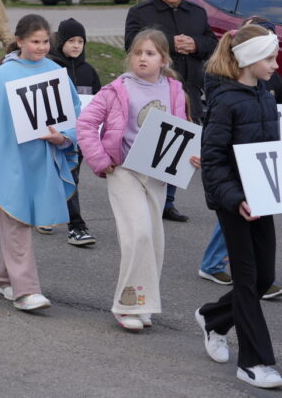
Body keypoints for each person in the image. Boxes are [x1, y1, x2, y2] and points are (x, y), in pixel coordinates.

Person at [77, 29, 199, 331]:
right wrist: (101, 160)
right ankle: (127, 304)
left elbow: (182, 129)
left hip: (156, 173)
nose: (143, 58)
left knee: (154, 240)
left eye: (150, 53)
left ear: (163, 59)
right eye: (138, 53)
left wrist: (191, 156)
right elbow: (86, 124)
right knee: (138, 234)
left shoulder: (174, 90)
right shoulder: (116, 88)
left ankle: (143, 302)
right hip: (123, 171)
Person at [0, 14, 81, 312]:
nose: (41, 47)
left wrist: (63, 137)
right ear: (19, 41)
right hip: (8, 160)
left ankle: (6, 279)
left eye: (45, 42)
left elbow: (75, 113)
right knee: (16, 218)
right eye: (34, 41)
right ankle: (26, 290)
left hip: (41, 159)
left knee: (22, 217)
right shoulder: (3, 75)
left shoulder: (55, 72)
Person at [195, 23, 282, 389]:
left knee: (263, 277)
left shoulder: (265, 94)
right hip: (233, 202)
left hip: (262, 197)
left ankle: (213, 318)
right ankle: (253, 362)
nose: (275, 64)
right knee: (246, 280)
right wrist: (235, 199)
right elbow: (213, 160)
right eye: (270, 58)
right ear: (249, 59)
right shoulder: (225, 101)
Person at [125, 0, 217, 222]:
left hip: (189, 89)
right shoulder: (141, 12)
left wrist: (196, 44)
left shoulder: (196, 12)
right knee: (150, 144)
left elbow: (212, 44)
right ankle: (143, 196)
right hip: (152, 90)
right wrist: (170, 44)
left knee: (179, 144)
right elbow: (130, 44)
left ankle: (168, 202)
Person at [41, 17, 101, 246]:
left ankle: (52, 216)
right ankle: (75, 226)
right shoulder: (52, 68)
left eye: (80, 41)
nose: (76, 45)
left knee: (71, 177)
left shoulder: (89, 72)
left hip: (81, 136)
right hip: (55, 135)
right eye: (71, 41)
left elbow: (98, 102)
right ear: (61, 42)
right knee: (55, 176)